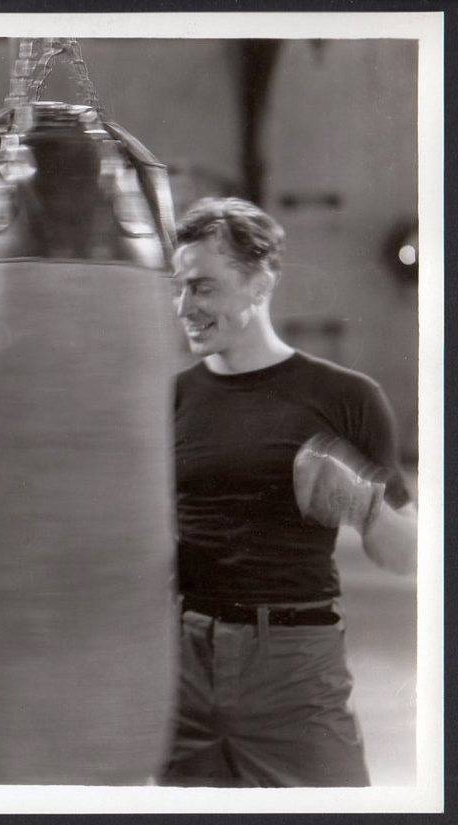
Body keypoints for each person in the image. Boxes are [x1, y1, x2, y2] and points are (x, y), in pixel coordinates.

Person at [160, 197, 417, 787]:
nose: (184, 308)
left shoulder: (344, 397)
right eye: (178, 289)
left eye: (202, 288)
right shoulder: (172, 398)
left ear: (259, 283)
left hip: (293, 667)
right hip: (184, 662)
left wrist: (363, 501)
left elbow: (406, 555)